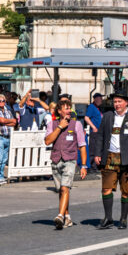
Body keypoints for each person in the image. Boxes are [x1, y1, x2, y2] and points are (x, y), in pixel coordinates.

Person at [91, 89, 128, 229]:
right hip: (110, 156)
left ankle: (123, 219)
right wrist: (97, 153)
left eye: (119, 101)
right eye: (115, 102)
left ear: (126, 103)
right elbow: (100, 135)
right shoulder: (107, 116)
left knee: (126, 190)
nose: (117, 104)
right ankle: (108, 218)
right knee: (106, 188)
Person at [45, 98, 87, 229]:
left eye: (70, 108)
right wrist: (59, 127)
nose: (69, 111)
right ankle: (67, 216)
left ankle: (60, 216)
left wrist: (84, 165)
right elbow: (47, 141)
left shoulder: (76, 124)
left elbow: (82, 145)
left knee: (65, 188)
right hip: (56, 160)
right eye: (66, 108)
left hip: (70, 160)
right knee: (61, 190)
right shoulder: (52, 124)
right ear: (59, 111)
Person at [0, 93, 16, 183]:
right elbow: (1, 120)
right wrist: (8, 121)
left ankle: (1, 176)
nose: (1, 102)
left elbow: (14, 122)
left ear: (5, 102)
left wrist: (5, 122)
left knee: (5, 159)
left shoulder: (8, 111)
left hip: (7, 136)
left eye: (3, 100)